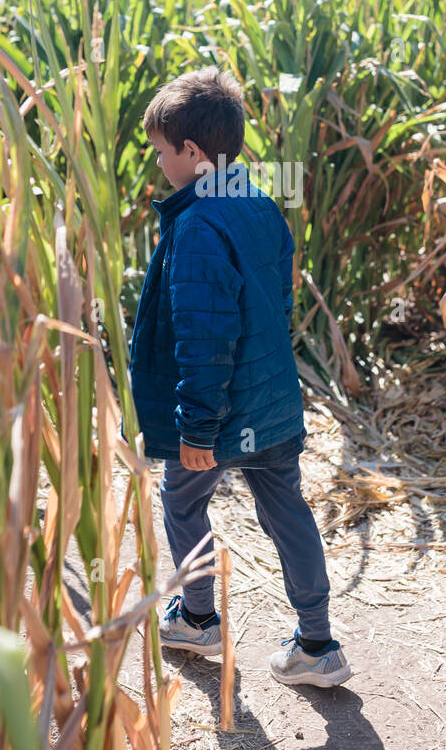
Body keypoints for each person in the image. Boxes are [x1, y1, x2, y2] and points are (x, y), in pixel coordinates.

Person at [128, 66, 352, 688]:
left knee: (180, 499)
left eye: (161, 153)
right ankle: (318, 645)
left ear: (192, 153)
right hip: (272, 400)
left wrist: (197, 428)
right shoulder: (256, 201)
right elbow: (275, 306)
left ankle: (198, 619)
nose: (159, 166)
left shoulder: (198, 228)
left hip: (221, 412)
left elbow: (205, 340)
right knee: (286, 509)